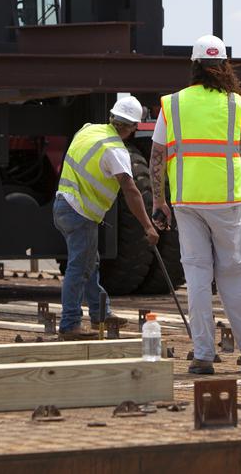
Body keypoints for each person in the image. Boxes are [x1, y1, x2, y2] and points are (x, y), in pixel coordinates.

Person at [149, 34, 241, 375]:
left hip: (186, 200)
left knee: (198, 276)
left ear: (194, 65)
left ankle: (203, 356)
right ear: (223, 67)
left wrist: (159, 199)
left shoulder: (173, 104)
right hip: (225, 200)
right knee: (234, 276)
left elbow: (157, 152)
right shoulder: (235, 104)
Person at [54, 96, 161, 341]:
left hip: (63, 206)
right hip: (79, 212)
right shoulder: (115, 150)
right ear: (133, 127)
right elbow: (132, 190)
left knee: (89, 264)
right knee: (79, 267)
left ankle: (100, 312)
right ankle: (69, 324)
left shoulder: (88, 130)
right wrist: (148, 226)